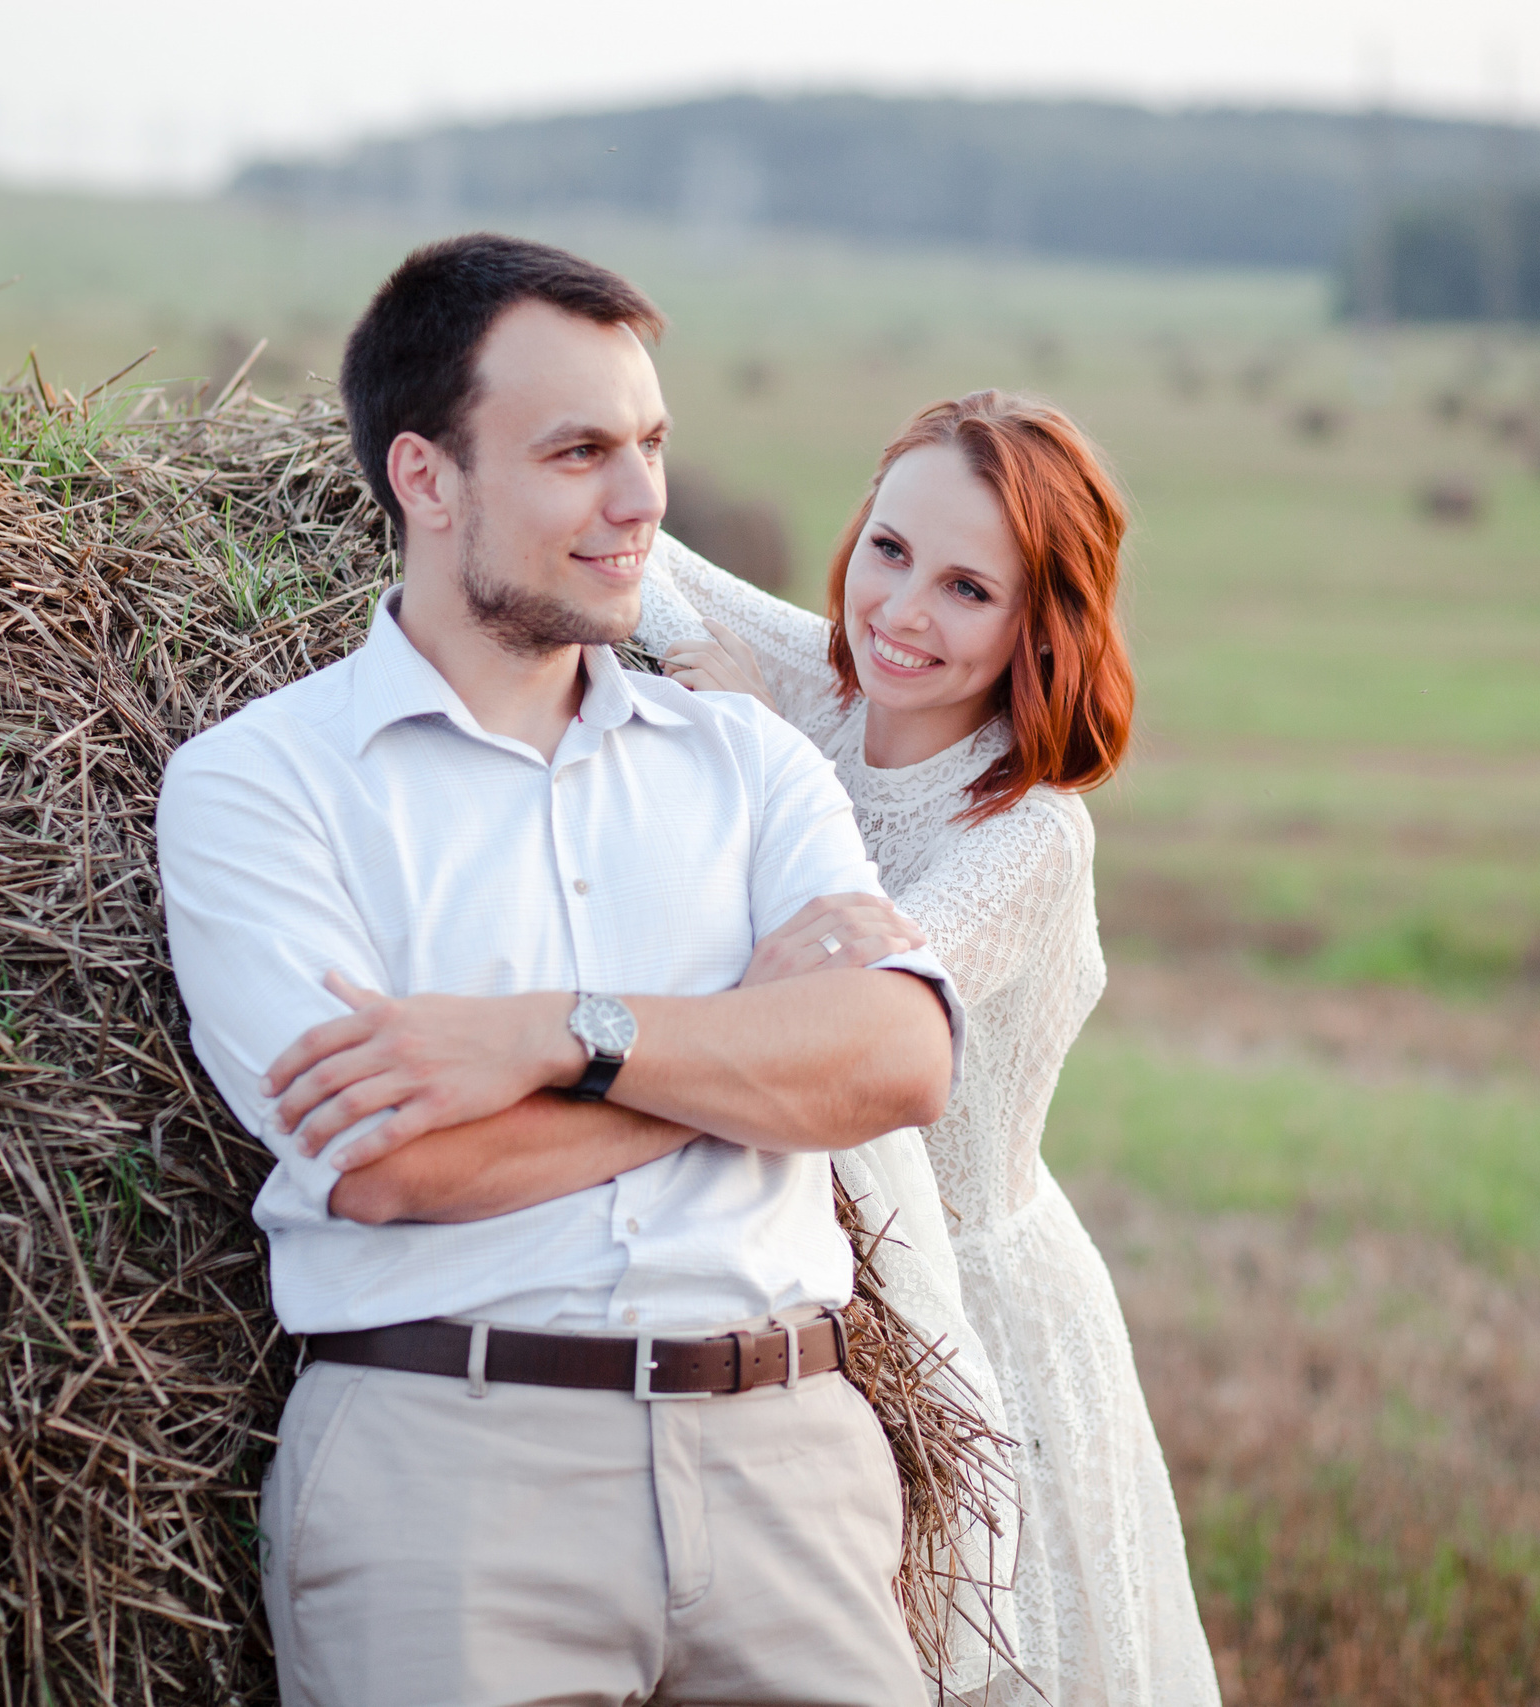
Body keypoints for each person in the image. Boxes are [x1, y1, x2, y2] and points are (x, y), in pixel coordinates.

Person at [158, 233, 968, 1707]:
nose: (644, 501)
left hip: (791, 1464)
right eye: (581, 451)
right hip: (453, 1481)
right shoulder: (262, 786)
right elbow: (387, 1166)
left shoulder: (748, 761)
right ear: (427, 477)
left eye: (651, 445)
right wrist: (750, 1052)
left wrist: (554, 1039)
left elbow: (901, 1062)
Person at [639, 392, 1224, 1707]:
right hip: (790, 1269)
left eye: (969, 588)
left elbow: (849, 999)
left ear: (1039, 623)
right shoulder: (829, 676)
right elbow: (641, 560)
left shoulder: (1026, 832)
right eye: (888, 550)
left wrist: (746, 738)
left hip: (970, 1310)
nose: (901, 612)